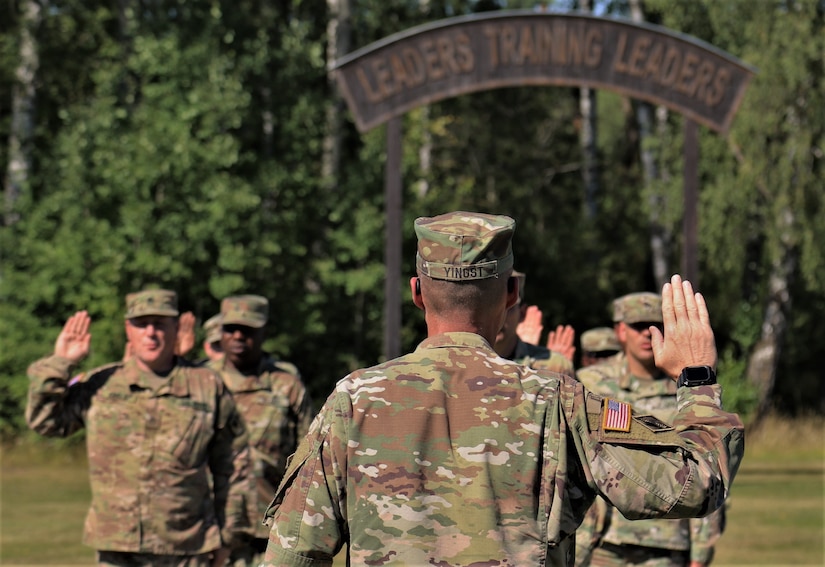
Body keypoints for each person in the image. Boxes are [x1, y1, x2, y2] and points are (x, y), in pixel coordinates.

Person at [260, 211, 744, 566]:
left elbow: (293, 554)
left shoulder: (354, 401)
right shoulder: (557, 402)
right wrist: (697, 376)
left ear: (417, 291)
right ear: (511, 295)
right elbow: (693, 483)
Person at [25, 289, 253, 567]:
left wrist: (228, 536)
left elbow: (233, 466)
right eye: (141, 324)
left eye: (159, 323)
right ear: (128, 329)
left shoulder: (207, 386)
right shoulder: (102, 385)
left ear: (176, 327)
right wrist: (61, 363)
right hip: (117, 547)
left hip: (186, 547)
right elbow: (45, 423)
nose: (150, 332)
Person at [575, 293, 726, 567]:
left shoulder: (689, 390)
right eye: (638, 325)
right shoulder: (590, 383)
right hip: (603, 541)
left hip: (666, 543)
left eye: (656, 324)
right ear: (621, 330)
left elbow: (709, 464)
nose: (647, 332)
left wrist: (701, 553)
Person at [207, 295, 313, 567]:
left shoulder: (286, 385)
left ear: (264, 331)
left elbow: (309, 459)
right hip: (211, 529)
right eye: (231, 329)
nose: (238, 336)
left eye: (248, 330)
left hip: (271, 527)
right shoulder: (202, 382)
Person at [495, 269, 575, 375]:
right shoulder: (466, 365)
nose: (498, 315)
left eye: (507, 306)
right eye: (487, 306)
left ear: (522, 313)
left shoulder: (554, 367)